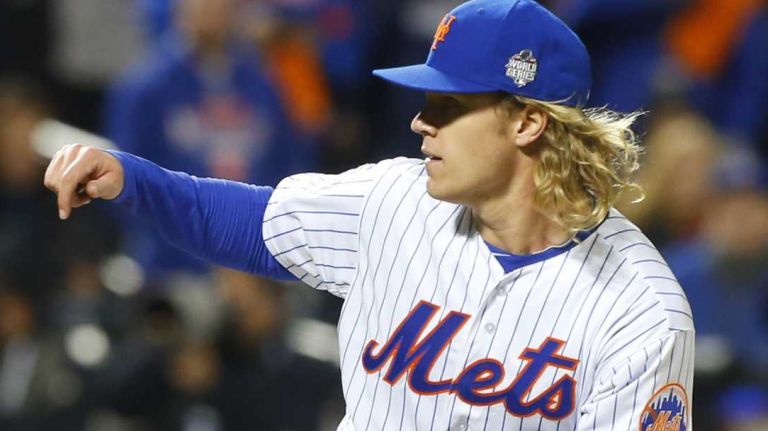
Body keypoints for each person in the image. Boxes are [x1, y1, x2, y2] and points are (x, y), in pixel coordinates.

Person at [44, 0, 695, 429]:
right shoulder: (393, 201)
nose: (419, 121)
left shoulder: (639, 313)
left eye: (448, 106)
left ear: (527, 121)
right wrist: (134, 179)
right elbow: (251, 222)